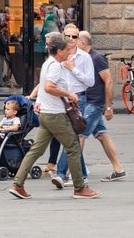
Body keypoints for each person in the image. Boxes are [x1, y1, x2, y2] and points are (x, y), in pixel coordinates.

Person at [7, 32, 101, 199]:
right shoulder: (56, 66)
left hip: (46, 114)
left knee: (36, 150)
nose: (68, 52)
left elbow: (45, 87)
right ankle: (80, 187)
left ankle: (18, 184)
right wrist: (69, 94)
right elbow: (49, 87)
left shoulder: (48, 63)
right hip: (56, 115)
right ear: (58, 50)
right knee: (73, 147)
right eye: (66, 49)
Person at [71, 30, 127, 183]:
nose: (72, 41)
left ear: (82, 43)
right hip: (87, 101)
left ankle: (74, 174)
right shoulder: (84, 58)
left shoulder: (96, 58)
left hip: (94, 103)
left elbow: (108, 81)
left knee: (80, 135)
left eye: (75, 39)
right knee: (101, 134)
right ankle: (118, 169)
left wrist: (108, 107)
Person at [54, 24, 95, 186]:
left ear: (79, 39)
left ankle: (60, 173)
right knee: (73, 137)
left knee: (71, 135)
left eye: (74, 36)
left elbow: (90, 82)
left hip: (78, 99)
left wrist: (73, 69)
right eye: (67, 36)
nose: (71, 40)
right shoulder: (58, 57)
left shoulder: (84, 58)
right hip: (61, 99)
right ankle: (83, 173)